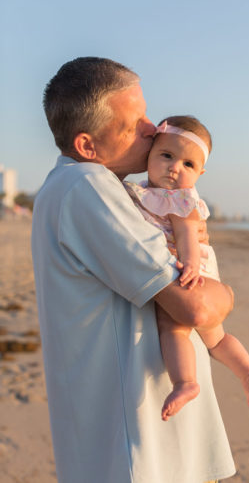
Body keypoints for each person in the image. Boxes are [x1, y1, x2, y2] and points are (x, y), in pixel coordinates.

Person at [31, 57, 236, 483]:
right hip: (138, 449)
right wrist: (228, 297)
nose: (152, 127)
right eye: (134, 122)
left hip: (143, 438)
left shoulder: (112, 190)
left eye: (147, 113)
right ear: (88, 146)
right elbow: (195, 306)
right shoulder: (86, 186)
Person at [124, 116, 249, 422]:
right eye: (167, 156)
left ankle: (185, 382)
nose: (175, 168)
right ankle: (247, 370)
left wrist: (189, 266)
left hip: (191, 267)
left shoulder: (180, 198)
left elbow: (187, 233)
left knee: (172, 327)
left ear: (200, 173)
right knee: (215, 338)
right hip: (193, 266)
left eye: (188, 165)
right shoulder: (148, 193)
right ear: (150, 153)